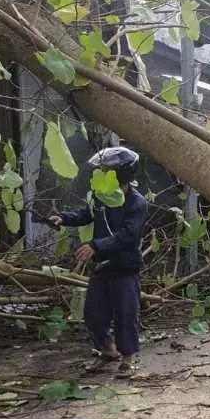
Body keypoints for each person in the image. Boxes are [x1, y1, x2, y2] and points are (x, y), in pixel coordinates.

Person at [49, 147, 147, 367]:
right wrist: (62, 218)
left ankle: (128, 357)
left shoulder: (136, 203)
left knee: (125, 314)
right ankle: (107, 349)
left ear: (120, 174)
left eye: (106, 170)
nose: (101, 173)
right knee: (93, 313)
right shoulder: (101, 196)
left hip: (125, 267)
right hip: (102, 266)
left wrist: (96, 245)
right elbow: (85, 214)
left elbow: (128, 236)